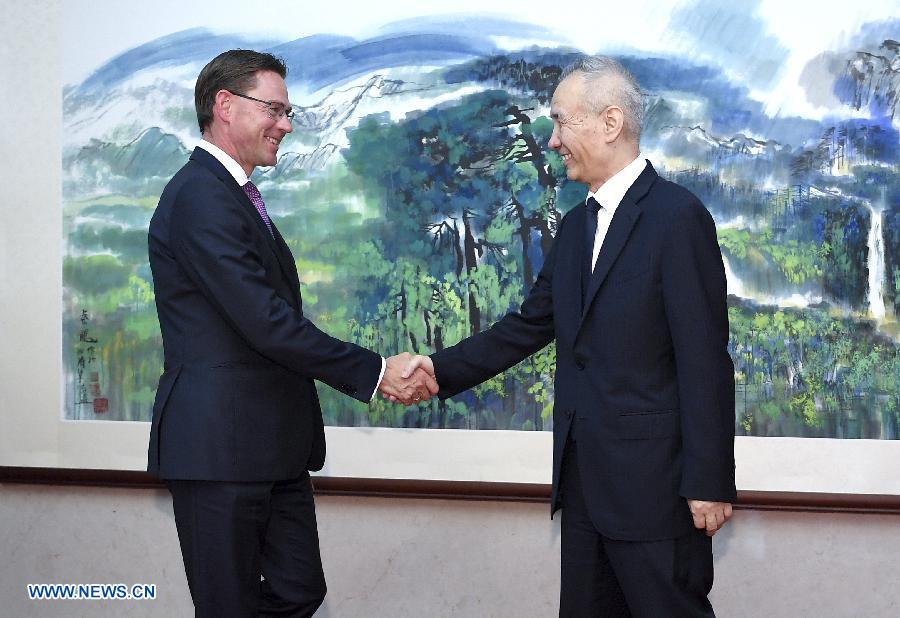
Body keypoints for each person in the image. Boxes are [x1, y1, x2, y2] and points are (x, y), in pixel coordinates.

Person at [403, 56, 736, 617]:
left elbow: (704, 358)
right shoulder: (579, 225)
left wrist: (709, 480)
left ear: (610, 123)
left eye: (561, 123)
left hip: (656, 494)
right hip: (582, 489)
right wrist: (439, 371)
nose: (553, 140)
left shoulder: (678, 218)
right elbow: (529, 324)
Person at [147, 49, 435, 617]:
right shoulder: (200, 196)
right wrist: (375, 373)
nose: (286, 124)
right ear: (225, 106)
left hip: (270, 451)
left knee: (300, 591)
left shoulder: (232, 196)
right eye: (274, 109)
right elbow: (266, 322)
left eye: (288, 111)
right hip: (219, 449)